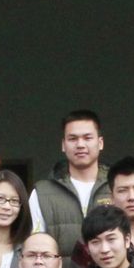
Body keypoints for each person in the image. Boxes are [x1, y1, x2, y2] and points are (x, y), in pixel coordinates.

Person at [28, 110, 109, 260]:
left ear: (100, 143)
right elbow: (35, 249)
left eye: (87, 138)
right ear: (63, 145)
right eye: (73, 139)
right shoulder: (41, 193)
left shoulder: (117, 188)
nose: (80, 145)